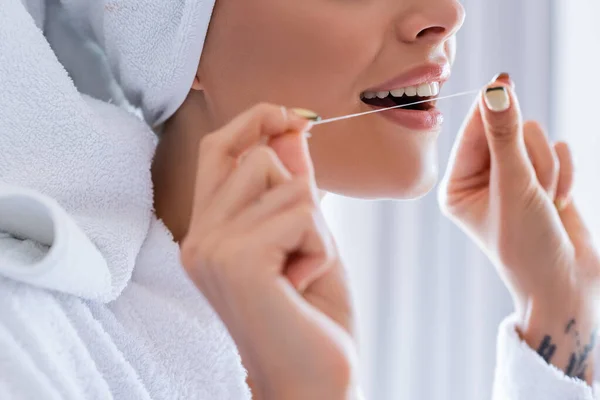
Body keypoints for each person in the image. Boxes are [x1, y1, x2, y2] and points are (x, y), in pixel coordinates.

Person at [1, 0, 598, 399]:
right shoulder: (23, 343)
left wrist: (558, 319)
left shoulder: (317, 316)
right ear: (180, 45)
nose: (446, 13)